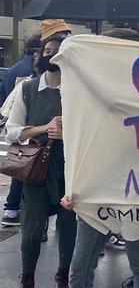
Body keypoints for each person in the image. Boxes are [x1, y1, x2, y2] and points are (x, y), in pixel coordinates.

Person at [62, 29, 139, 288]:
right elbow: (80, 140)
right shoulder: (90, 88)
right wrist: (73, 187)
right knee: (80, 267)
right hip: (96, 190)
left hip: (135, 189)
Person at [6, 38, 77, 288]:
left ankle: (63, 274)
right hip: (37, 169)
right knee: (32, 230)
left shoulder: (77, 90)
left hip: (70, 168)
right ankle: (27, 276)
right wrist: (42, 128)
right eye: (48, 51)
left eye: (58, 52)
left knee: (69, 227)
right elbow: (12, 132)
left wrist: (67, 133)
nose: (52, 55)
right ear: (41, 55)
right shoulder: (28, 88)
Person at [1, 34, 41, 227]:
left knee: (20, 166)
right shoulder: (32, 73)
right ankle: (16, 209)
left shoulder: (14, 69)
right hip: (30, 128)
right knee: (28, 170)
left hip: (16, 123)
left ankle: (11, 208)